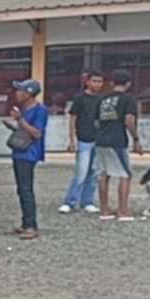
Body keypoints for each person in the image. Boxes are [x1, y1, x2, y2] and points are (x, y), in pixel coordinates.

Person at [4, 79, 49, 240]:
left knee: (26, 189)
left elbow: (37, 133)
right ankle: (25, 223)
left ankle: (31, 225)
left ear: (29, 93)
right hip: (19, 152)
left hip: (29, 154)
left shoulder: (40, 110)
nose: (17, 93)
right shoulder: (24, 108)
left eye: (20, 90)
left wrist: (20, 120)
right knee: (21, 189)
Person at [95, 70, 142, 220]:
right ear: (128, 84)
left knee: (104, 174)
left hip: (101, 139)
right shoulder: (128, 99)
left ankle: (104, 209)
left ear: (112, 83)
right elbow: (129, 120)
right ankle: (123, 210)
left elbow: (96, 122)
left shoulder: (102, 100)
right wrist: (136, 139)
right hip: (117, 140)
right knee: (125, 175)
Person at [58, 71, 105, 214]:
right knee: (81, 172)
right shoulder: (80, 98)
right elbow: (73, 119)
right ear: (88, 82)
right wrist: (72, 140)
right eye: (94, 81)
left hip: (99, 140)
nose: (97, 84)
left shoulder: (102, 100)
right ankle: (70, 201)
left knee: (94, 173)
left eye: (100, 81)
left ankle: (87, 201)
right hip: (84, 139)